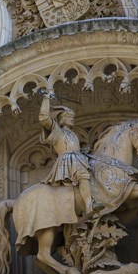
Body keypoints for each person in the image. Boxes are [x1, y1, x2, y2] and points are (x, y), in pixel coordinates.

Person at [38, 90, 102, 218]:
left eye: (73, 116)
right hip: (68, 160)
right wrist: (46, 98)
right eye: (68, 116)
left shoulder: (73, 134)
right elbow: (44, 118)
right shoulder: (57, 131)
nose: (72, 118)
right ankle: (89, 205)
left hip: (77, 158)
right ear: (61, 119)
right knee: (83, 176)